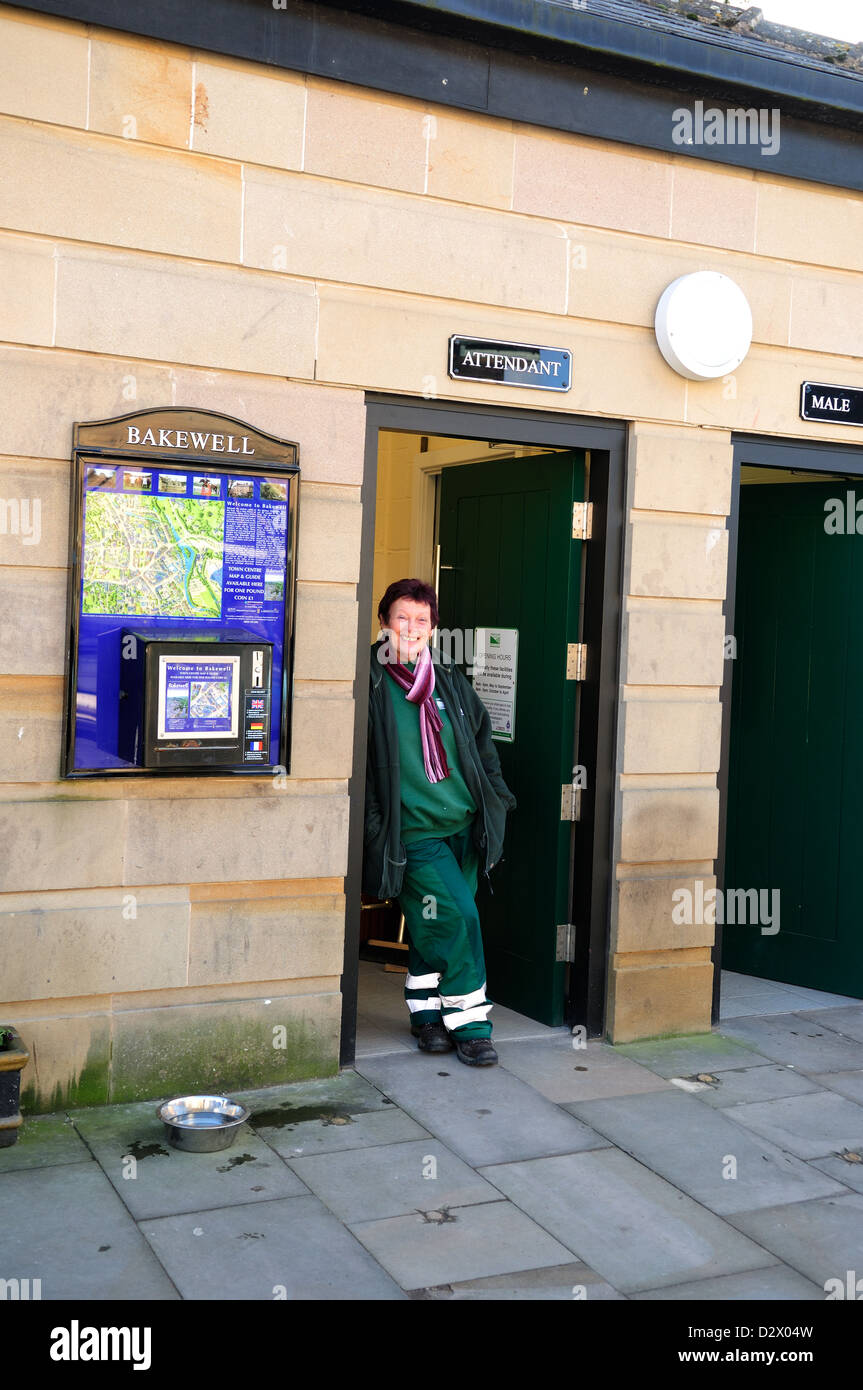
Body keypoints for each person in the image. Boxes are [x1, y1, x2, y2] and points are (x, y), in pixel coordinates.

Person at [362, 578, 516, 1066]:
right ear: (385, 621)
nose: (410, 628)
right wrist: (373, 829)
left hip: (462, 830)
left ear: (433, 629)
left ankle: (427, 1019)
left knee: (433, 925)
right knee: (460, 920)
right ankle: (471, 1027)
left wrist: (496, 798)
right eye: (401, 618)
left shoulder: (448, 682)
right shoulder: (365, 682)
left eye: (421, 620)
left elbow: (482, 747)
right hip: (413, 836)